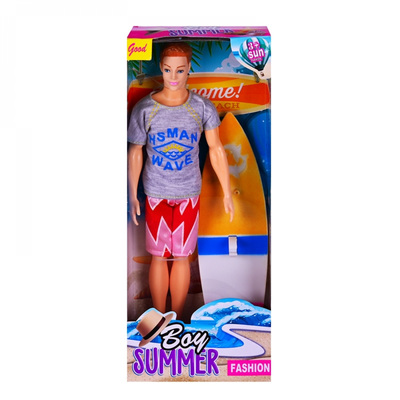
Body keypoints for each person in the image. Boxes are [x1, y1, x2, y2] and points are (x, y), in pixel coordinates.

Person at [128, 42, 234, 319]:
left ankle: (176, 317)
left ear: (189, 70)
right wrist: (132, 193)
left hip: (189, 193)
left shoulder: (201, 107)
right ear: (161, 69)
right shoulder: (145, 108)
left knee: (183, 256)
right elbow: (135, 151)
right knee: (159, 256)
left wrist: (227, 192)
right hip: (156, 193)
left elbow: (216, 149)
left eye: (180, 70)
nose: (173, 77)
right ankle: (157, 317)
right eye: (167, 70)